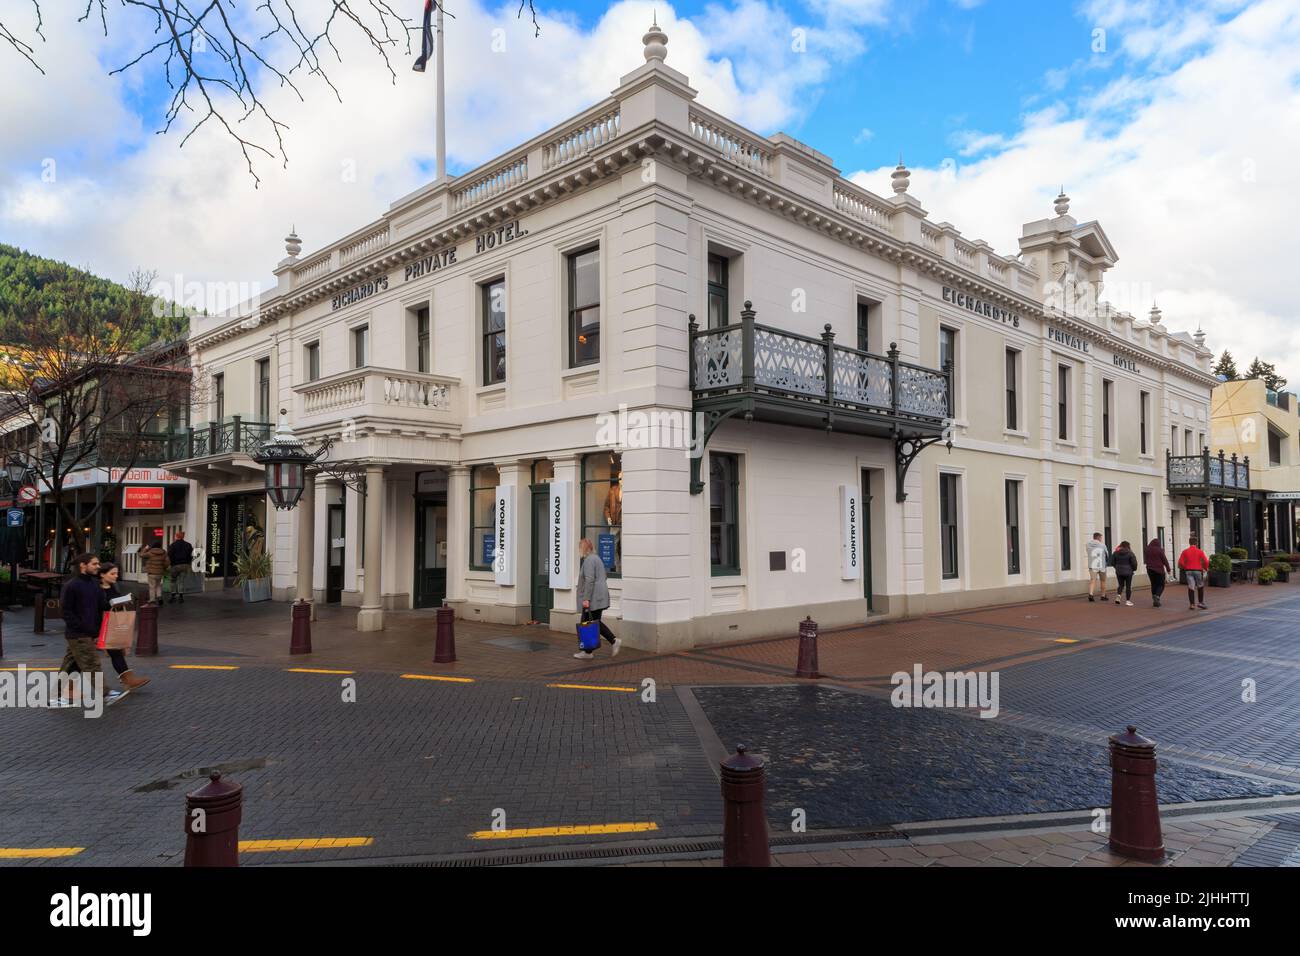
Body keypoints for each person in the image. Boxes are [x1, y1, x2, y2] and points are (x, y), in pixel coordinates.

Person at [56, 553, 105, 705]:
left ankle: (57, 694)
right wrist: (81, 626)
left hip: (87, 632)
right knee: (91, 663)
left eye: (98, 564)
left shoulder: (94, 584)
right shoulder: (71, 585)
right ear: (83, 565)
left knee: (70, 665)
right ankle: (106, 693)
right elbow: (66, 611)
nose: (98, 566)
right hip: (78, 633)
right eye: (94, 564)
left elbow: (100, 607)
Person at [98, 562, 150, 690]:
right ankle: (125, 681)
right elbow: (99, 606)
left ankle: (127, 679)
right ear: (102, 575)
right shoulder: (96, 589)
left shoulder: (111, 586)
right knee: (82, 659)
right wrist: (111, 603)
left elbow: (113, 601)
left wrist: (123, 600)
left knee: (115, 651)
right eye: (112, 573)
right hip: (100, 624)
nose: (116, 576)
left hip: (110, 623)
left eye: (117, 573)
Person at [573, 537, 621, 660]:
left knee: (587, 622)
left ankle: (612, 641)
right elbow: (603, 576)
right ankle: (589, 651)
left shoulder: (589, 560)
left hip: (592, 598)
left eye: (580, 547)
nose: (579, 550)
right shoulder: (597, 558)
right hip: (599, 597)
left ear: (583, 548)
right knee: (594, 623)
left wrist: (586, 599)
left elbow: (589, 580)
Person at [1178, 535, 1210, 610]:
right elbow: (1205, 561)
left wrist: (1185, 567)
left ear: (1189, 543)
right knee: (1200, 585)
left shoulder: (1185, 551)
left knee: (1191, 586)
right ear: (1196, 543)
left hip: (1188, 571)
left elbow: (1180, 562)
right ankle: (1201, 603)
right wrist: (1205, 568)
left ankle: (1192, 604)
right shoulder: (1200, 551)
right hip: (1198, 570)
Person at [140, 538, 170, 606]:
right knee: (158, 585)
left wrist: (145, 548)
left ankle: (152, 600)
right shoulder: (164, 552)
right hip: (160, 572)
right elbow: (167, 562)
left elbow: (141, 555)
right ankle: (159, 597)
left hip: (151, 573)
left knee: (152, 586)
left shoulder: (150, 552)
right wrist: (163, 567)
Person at [167, 531, 194, 604]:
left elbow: (169, 555)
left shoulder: (173, 545)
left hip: (175, 565)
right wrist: (188, 562)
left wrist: (171, 564)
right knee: (181, 581)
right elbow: (191, 555)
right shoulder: (188, 545)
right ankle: (181, 597)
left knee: (173, 580)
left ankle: (173, 596)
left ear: (177, 536)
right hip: (185, 565)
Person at [1144, 538, 1171, 607]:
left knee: (1153, 584)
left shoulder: (1147, 549)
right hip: (1159, 570)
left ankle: (1154, 599)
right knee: (1161, 584)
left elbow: (1146, 559)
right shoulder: (1159, 550)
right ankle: (1157, 596)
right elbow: (1164, 560)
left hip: (1149, 569)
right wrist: (1168, 569)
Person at [1111, 540, 1138, 606]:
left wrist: (1116, 567)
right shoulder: (1130, 553)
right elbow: (1134, 563)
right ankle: (1128, 601)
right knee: (1128, 586)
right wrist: (1133, 569)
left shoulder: (1115, 553)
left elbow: (1112, 562)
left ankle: (1118, 595)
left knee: (1121, 585)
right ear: (1128, 546)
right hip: (1128, 572)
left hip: (1119, 571)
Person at [1086, 532, 1110, 602]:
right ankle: (1103, 595)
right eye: (1101, 538)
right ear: (1099, 537)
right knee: (1103, 581)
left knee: (1092, 580)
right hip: (1101, 566)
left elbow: (1088, 552)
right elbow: (1107, 554)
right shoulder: (1102, 545)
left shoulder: (1088, 544)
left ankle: (1090, 594)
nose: (1101, 539)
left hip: (1092, 565)